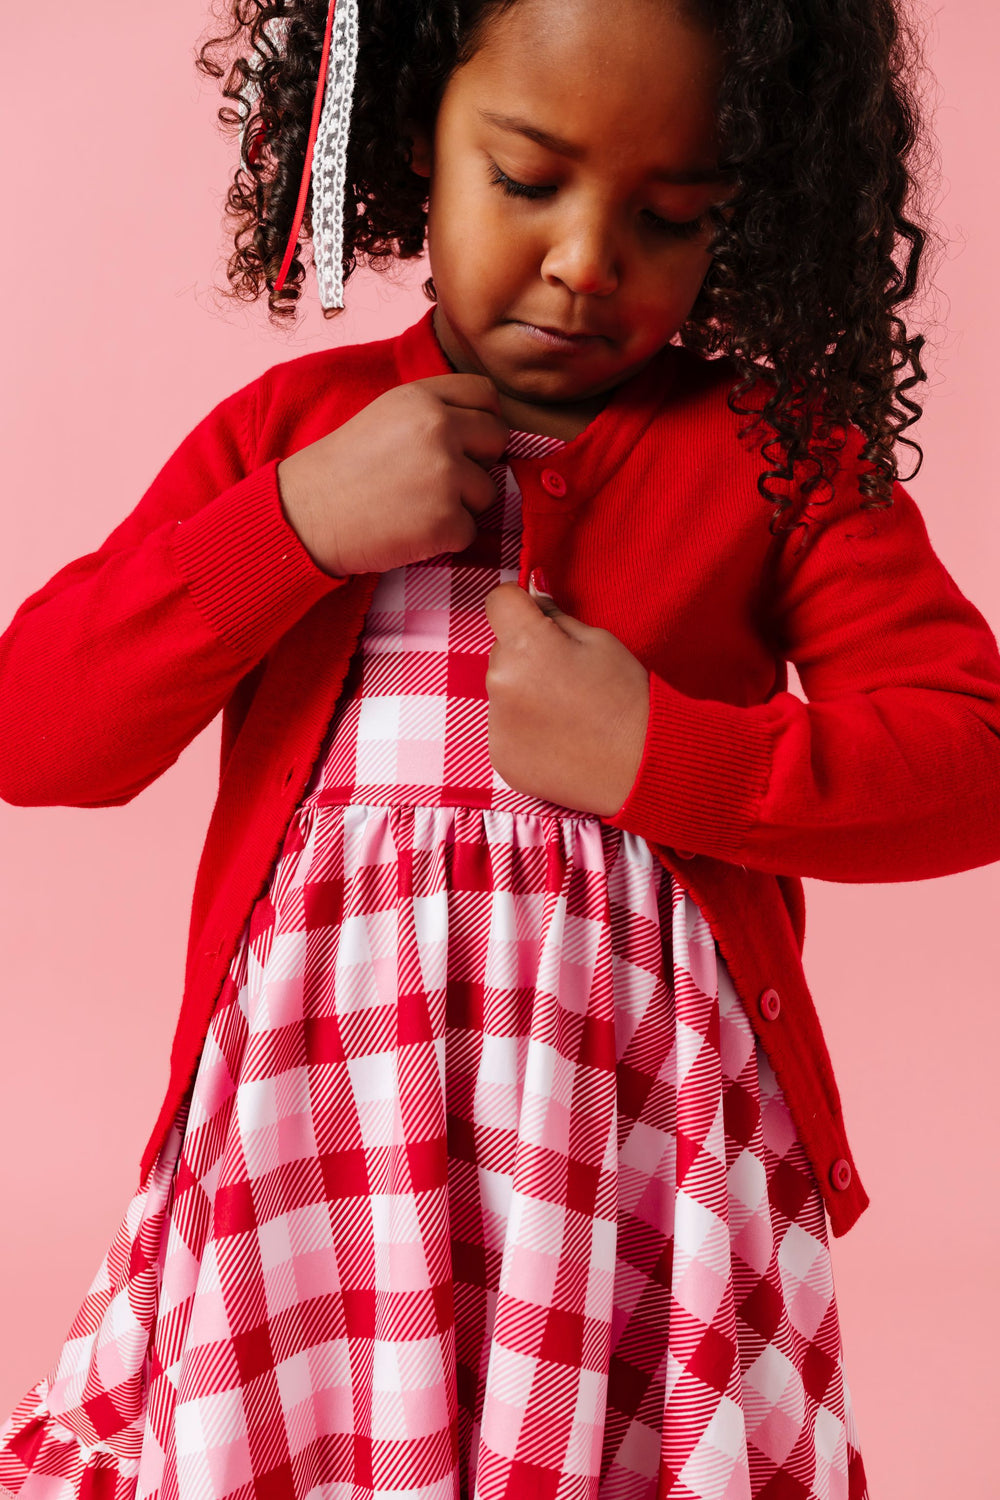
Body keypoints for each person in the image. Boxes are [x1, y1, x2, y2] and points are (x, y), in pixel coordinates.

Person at [1, 0, 998, 1496]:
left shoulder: (783, 464)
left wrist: (664, 759)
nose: (589, 263)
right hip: (321, 1123)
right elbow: (39, 729)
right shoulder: (294, 436)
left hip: (630, 1153)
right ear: (415, 138)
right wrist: (290, 529)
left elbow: (967, 758)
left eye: (671, 218)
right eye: (528, 181)